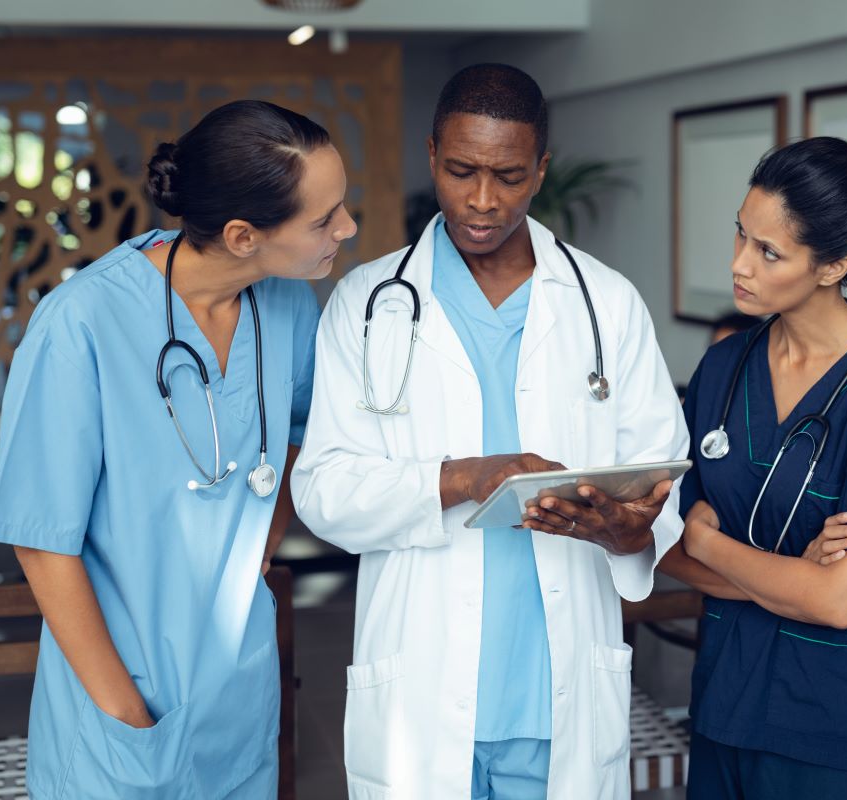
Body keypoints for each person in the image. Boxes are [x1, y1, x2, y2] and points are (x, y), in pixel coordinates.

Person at [291, 64, 687, 799]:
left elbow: (661, 478)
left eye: (507, 176)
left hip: (555, 691)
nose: (481, 200)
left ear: (540, 169)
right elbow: (323, 490)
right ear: (433, 153)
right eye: (461, 170)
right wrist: (462, 477)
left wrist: (630, 533)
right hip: (421, 682)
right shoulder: (368, 303)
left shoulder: (607, 303)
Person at [0, 100, 357, 799]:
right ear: (244, 235)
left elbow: (299, 429)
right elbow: (41, 541)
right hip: (119, 697)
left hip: (238, 688)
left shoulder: (287, 306)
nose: (348, 228)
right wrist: (123, 713)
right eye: (324, 219)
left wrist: (260, 544)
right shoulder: (82, 322)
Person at [664, 137, 847, 799]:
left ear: (833, 266)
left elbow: (839, 601)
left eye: (769, 252)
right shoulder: (723, 367)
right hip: (723, 707)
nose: (739, 264)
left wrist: (712, 542)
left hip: (834, 731)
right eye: (741, 234)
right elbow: (658, 548)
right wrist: (789, 575)